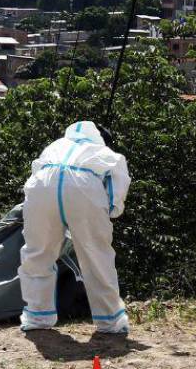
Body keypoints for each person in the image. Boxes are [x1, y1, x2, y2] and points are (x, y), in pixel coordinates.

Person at [18, 120, 130, 334]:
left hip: (42, 186)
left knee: (37, 253)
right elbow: (117, 190)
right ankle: (110, 321)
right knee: (96, 256)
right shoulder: (108, 155)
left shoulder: (55, 146)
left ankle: (37, 317)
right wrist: (110, 211)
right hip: (84, 186)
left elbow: (35, 173)